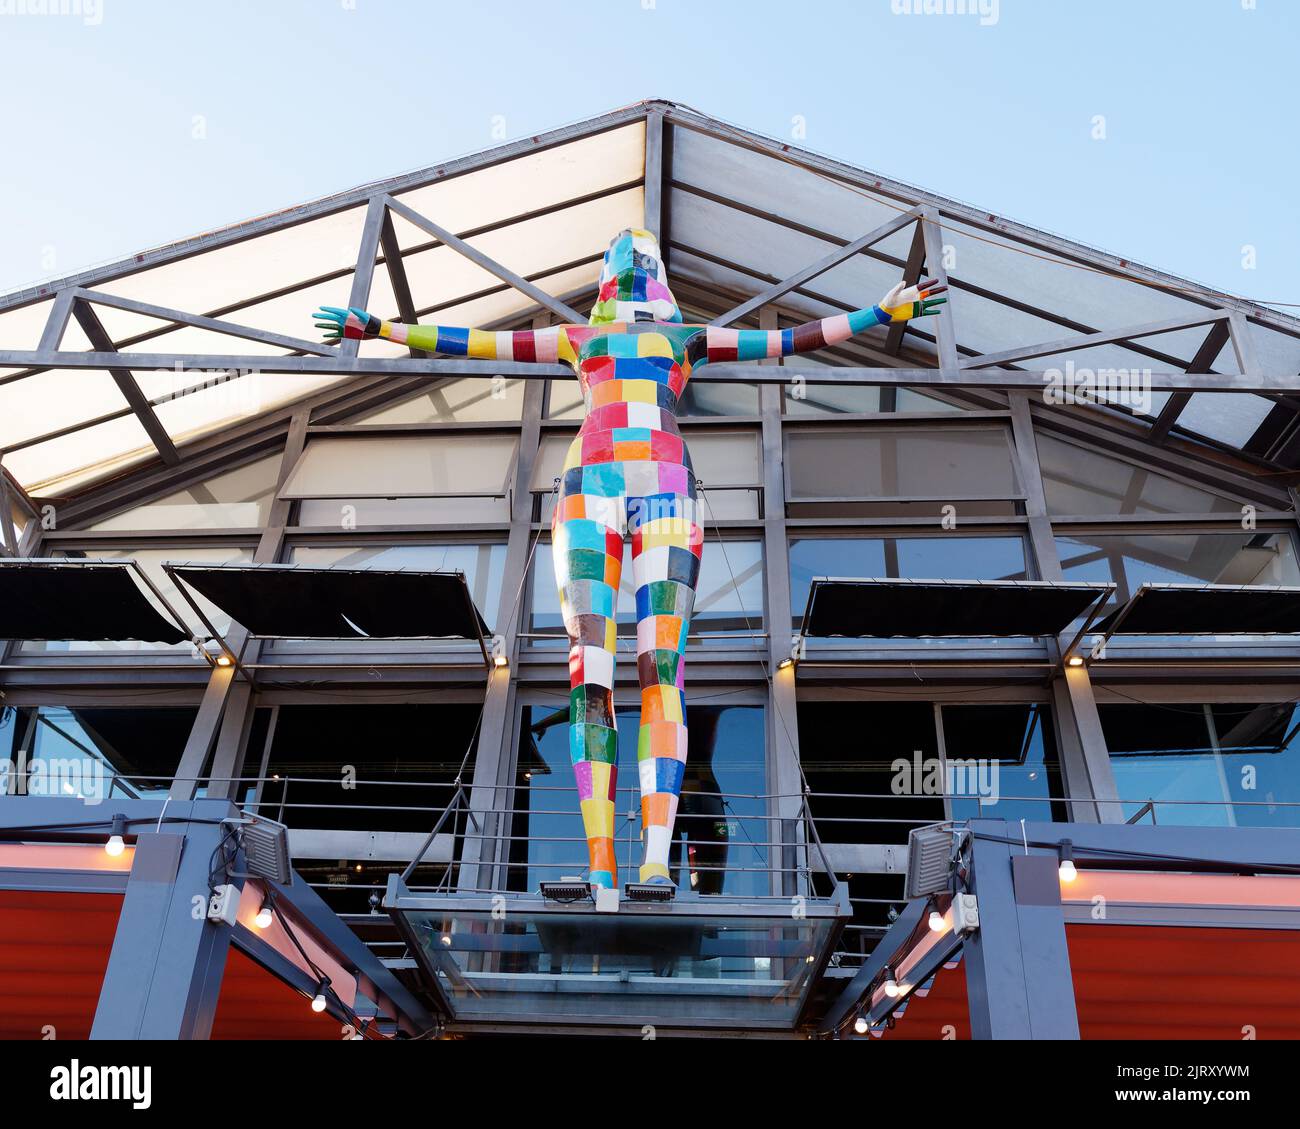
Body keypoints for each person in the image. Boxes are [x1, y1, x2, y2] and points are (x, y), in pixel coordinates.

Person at [315, 227, 946, 893]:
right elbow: (477, 345)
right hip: (600, 488)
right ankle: (601, 860)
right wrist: (383, 328)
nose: (636, 266)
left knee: (659, 667)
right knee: (592, 668)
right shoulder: (581, 340)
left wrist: (879, 314)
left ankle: (650, 858)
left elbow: (788, 341)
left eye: (644, 258)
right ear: (610, 275)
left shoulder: (681, 339)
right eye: (627, 257)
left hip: (658, 489)